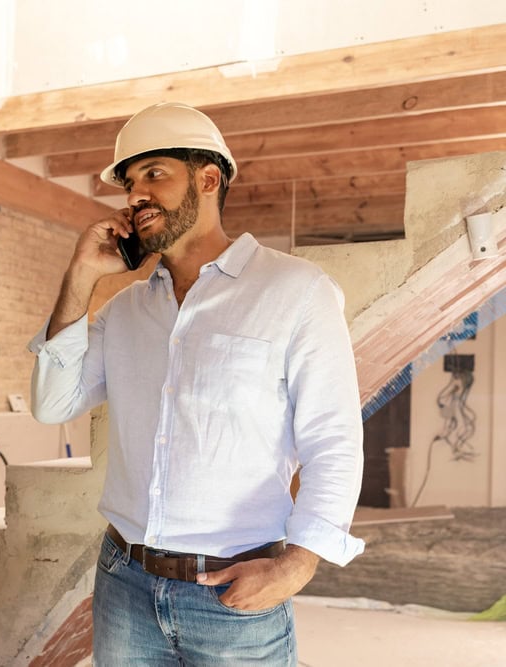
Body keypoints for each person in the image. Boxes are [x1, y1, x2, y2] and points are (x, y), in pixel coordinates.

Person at [28, 102, 365, 666]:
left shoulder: (296, 291)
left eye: (154, 174)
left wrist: (299, 563)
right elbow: (51, 402)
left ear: (209, 180)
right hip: (125, 584)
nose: (137, 194)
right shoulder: (127, 310)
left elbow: (333, 437)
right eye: (131, 182)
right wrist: (81, 277)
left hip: (235, 593)